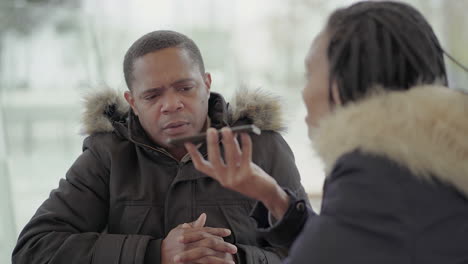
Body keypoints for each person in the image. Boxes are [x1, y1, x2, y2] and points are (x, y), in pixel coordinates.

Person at [185, 1, 468, 263]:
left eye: (310, 75)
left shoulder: (378, 186)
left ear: (340, 85)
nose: (304, 92)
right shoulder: (422, 170)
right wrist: (274, 198)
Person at [12, 30, 308, 264]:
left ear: (206, 84)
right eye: (153, 96)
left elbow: (312, 250)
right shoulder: (108, 155)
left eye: (184, 88)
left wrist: (238, 258)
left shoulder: (261, 146)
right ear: (133, 103)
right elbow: (34, 248)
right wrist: (154, 254)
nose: (171, 105)